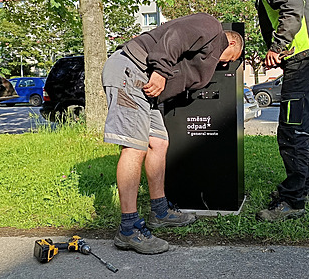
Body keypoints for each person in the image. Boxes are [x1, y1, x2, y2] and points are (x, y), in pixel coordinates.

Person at [102, 13, 244, 254]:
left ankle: (159, 211)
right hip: (131, 71)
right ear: (231, 43)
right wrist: (160, 71)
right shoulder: (212, 27)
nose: (224, 65)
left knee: (158, 143)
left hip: (147, 89)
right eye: (231, 59)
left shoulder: (206, 53)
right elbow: (175, 35)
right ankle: (128, 229)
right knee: (134, 148)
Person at [235, 0, 309, 222]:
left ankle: (292, 201)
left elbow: (292, 8)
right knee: (306, 131)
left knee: (292, 132)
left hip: (305, 62)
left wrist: (277, 47)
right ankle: (303, 190)